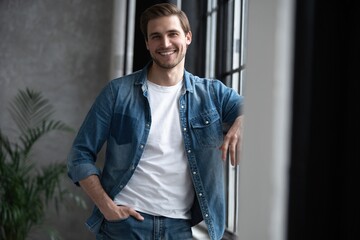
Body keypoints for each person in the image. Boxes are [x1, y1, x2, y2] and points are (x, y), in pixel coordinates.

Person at [67, 3, 244, 240]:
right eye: (156, 36)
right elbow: (79, 154)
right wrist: (107, 207)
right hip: (124, 227)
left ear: (188, 37)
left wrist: (242, 121)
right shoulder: (117, 93)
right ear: (148, 44)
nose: (166, 43)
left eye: (173, 34)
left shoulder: (213, 94)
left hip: (180, 229)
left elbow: (256, 109)